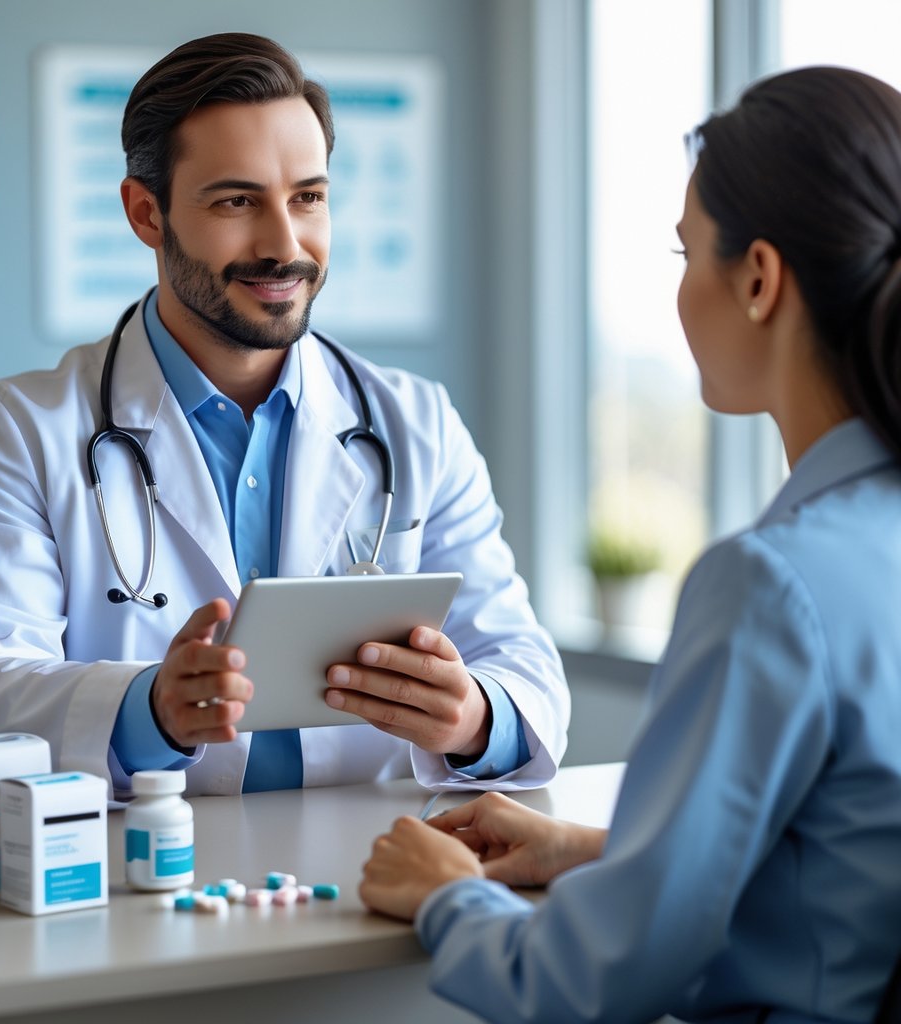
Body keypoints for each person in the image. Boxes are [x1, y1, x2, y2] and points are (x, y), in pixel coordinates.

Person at [360, 65, 901, 1022]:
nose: (682, 291)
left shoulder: (772, 585)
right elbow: (851, 861)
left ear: (761, 279)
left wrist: (449, 895)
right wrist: (604, 853)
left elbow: (591, 982)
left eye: (685, 252)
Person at [0, 33, 569, 799]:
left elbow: (529, 674)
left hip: (375, 874)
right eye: (237, 201)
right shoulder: (24, 430)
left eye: (308, 198)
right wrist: (145, 709)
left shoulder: (414, 424)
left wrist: (473, 717)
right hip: (139, 888)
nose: (285, 245)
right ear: (146, 214)